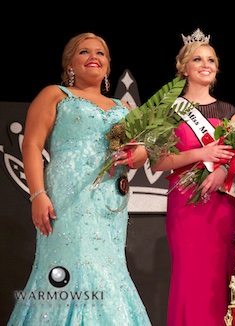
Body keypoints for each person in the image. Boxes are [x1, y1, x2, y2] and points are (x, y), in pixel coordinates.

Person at [7, 33, 151, 325]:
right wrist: (37, 194)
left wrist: (138, 155)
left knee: (109, 270)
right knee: (73, 265)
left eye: (100, 53)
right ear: (70, 64)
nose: (93, 57)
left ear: (108, 66)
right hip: (69, 199)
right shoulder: (55, 94)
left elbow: (139, 152)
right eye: (84, 52)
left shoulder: (122, 109)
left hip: (110, 203)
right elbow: (32, 144)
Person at [151, 28, 235, 326]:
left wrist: (223, 172)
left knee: (221, 275)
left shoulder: (228, 110)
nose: (206, 65)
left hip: (222, 203)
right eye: (198, 59)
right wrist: (200, 155)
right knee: (190, 275)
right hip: (186, 204)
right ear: (184, 68)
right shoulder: (170, 110)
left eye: (211, 60)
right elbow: (159, 162)